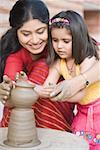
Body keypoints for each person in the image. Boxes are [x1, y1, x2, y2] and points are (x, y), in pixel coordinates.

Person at [0, 0, 74, 131]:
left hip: (59, 113)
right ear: (16, 32)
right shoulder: (15, 56)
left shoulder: (61, 39)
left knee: (45, 65)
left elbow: (95, 54)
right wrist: (10, 93)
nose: (35, 41)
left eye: (40, 31)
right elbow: (11, 96)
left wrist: (82, 80)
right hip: (22, 123)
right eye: (26, 34)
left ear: (48, 26)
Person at [43, 10, 100, 150]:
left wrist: (58, 95)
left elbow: (81, 94)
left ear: (79, 38)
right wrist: (32, 88)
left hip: (98, 109)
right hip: (82, 110)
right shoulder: (58, 63)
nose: (59, 46)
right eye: (55, 40)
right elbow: (47, 86)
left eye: (66, 41)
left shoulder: (88, 58)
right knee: (78, 140)